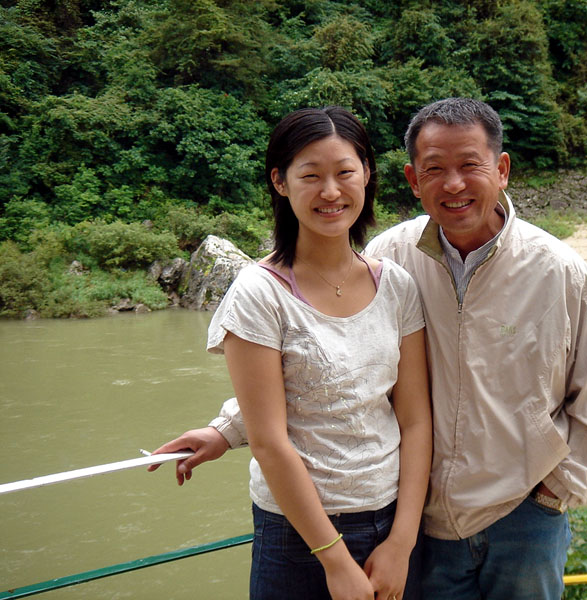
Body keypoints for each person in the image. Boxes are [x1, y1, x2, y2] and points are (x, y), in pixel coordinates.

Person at [153, 98, 587, 599]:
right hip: (425, 519)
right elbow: (333, 369)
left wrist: (552, 495)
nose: (454, 184)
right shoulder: (393, 258)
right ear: (412, 180)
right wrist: (229, 428)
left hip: (519, 516)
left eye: (470, 165)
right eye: (434, 169)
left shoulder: (558, 271)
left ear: (502, 169)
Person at [151, 106, 432, 600]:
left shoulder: (396, 286)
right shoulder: (260, 294)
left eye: (344, 172)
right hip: (298, 536)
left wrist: (402, 543)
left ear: (367, 174)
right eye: (311, 175)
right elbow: (269, 442)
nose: (331, 191)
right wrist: (335, 561)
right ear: (280, 182)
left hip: (392, 521)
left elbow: (415, 420)